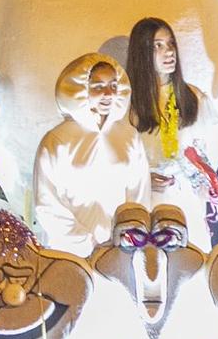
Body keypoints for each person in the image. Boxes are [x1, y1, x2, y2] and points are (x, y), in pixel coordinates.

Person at [31, 53, 151, 257]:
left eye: (113, 86)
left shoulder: (129, 137)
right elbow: (47, 202)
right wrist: (83, 244)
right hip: (70, 255)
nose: (108, 94)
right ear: (79, 89)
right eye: (98, 87)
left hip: (121, 255)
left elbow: (139, 196)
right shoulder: (57, 141)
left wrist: (127, 238)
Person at [125, 17, 218, 249]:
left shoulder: (193, 97)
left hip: (186, 200)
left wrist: (202, 180)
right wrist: (142, 179)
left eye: (170, 44)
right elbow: (118, 159)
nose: (168, 52)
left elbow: (203, 150)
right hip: (145, 202)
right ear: (142, 53)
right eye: (157, 46)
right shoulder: (128, 105)